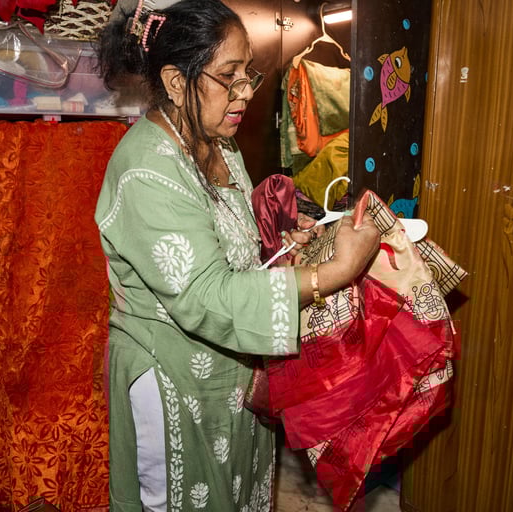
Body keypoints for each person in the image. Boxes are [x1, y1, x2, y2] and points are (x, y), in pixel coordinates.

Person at [94, 1, 381, 511]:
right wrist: (334, 272)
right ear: (176, 82)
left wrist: (281, 247)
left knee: (240, 490)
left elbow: (229, 248)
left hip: (231, 376)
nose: (246, 91)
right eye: (229, 77)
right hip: (176, 382)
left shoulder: (218, 145)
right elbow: (208, 295)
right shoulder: (146, 171)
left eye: (248, 73)